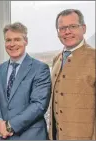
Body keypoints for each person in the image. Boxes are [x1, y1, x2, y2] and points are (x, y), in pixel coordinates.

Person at [0, 22, 51, 140]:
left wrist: (9, 126)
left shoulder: (40, 68)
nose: (12, 44)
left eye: (17, 39)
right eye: (8, 40)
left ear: (26, 41)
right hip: (4, 136)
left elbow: (39, 105)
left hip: (31, 136)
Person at [49, 9, 95, 140]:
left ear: (84, 28)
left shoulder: (94, 58)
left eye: (73, 26)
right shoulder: (56, 59)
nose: (67, 32)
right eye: (62, 28)